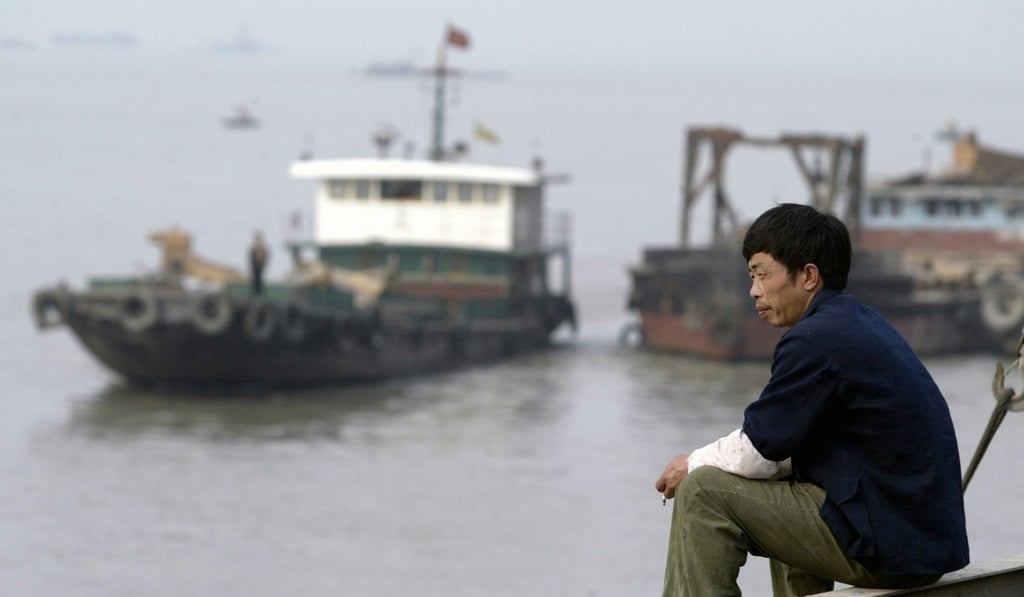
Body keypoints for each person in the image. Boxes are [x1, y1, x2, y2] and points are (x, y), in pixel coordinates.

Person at [654, 203, 969, 596]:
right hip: (920, 545)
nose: (753, 290)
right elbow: (778, 449)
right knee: (786, 477)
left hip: (887, 550)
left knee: (702, 492)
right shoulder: (862, 323)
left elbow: (757, 448)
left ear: (808, 276)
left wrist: (692, 462)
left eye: (761, 274)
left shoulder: (813, 340)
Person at [249, 231, 269, 296]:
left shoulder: (263, 250)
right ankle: (256, 292)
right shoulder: (253, 250)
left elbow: (264, 260)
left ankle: (259, 293)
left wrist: (261, 264)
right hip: (255, 270)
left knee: (259, 280)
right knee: (255, 280)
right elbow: (251, 261)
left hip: (260, 270)